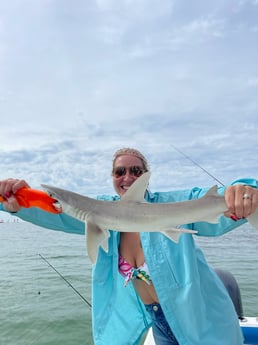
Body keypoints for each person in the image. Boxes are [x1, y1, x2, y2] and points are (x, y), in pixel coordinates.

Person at [0, 147, 258, 345]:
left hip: (198, 321)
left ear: (145, 176)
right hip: (158, 323)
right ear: (112, 176)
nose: (127, 177)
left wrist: (245, 191)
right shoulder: (99, 211)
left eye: (136, 171)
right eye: (119, 171)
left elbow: (216, 201)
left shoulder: (170, 204)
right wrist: (14, 200)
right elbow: (54, 211)